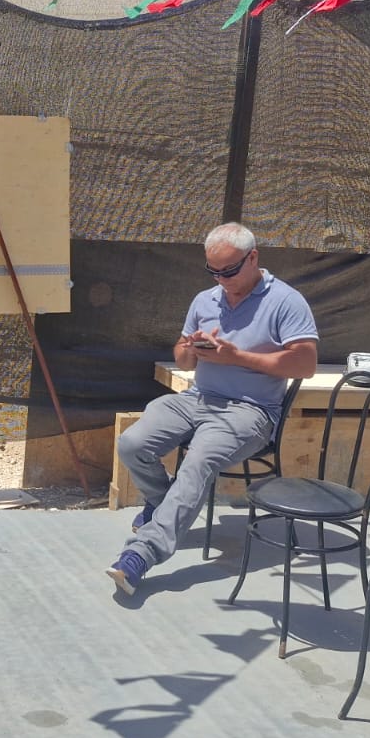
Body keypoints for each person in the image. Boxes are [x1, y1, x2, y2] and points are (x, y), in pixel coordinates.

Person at [107, 223, 318, 595]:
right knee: (132, 443)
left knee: (197, 462)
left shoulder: (286, 301)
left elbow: (305, 365)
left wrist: (237, 357)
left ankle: (141, 554)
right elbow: (183, 361)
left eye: (229, 270)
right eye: (213, 271)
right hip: (197, 398)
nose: (221, 279)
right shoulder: (205, 300)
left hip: (250, 410)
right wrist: (189, 349)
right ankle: (161, 504)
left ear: (252, 258)